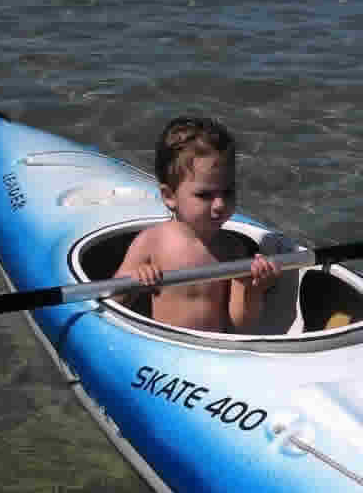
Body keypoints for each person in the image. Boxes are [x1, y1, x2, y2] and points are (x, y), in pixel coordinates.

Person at [113, 116, 280, 332]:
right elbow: (112, 300)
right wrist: (134, 280)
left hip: (212, 351)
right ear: (169, 196)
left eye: (227, 192)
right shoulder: (152, 243)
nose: (220, 204)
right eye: (205, 195)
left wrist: (253, 290)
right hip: (168, 347)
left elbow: (239, 327)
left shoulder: (233, 250)